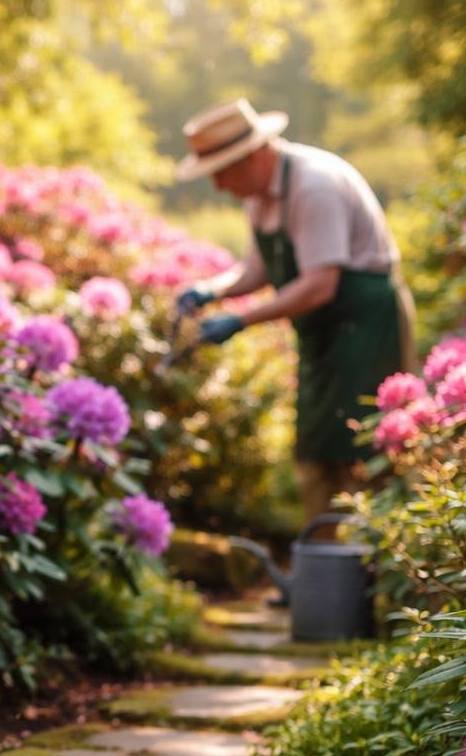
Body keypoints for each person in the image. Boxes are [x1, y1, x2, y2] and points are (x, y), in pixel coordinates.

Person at [173, 98, 415, 524]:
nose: (218, 186)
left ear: (251, 156)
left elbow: (321, 284)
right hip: (324, 332)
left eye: (222, 172)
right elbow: (258, 269)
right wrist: (210, 291)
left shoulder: (313, 186)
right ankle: (323, 571)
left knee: (371, 451)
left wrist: (241, 320)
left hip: (366, 324)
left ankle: (385, 571)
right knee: (318, 450)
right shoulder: (259, 196)